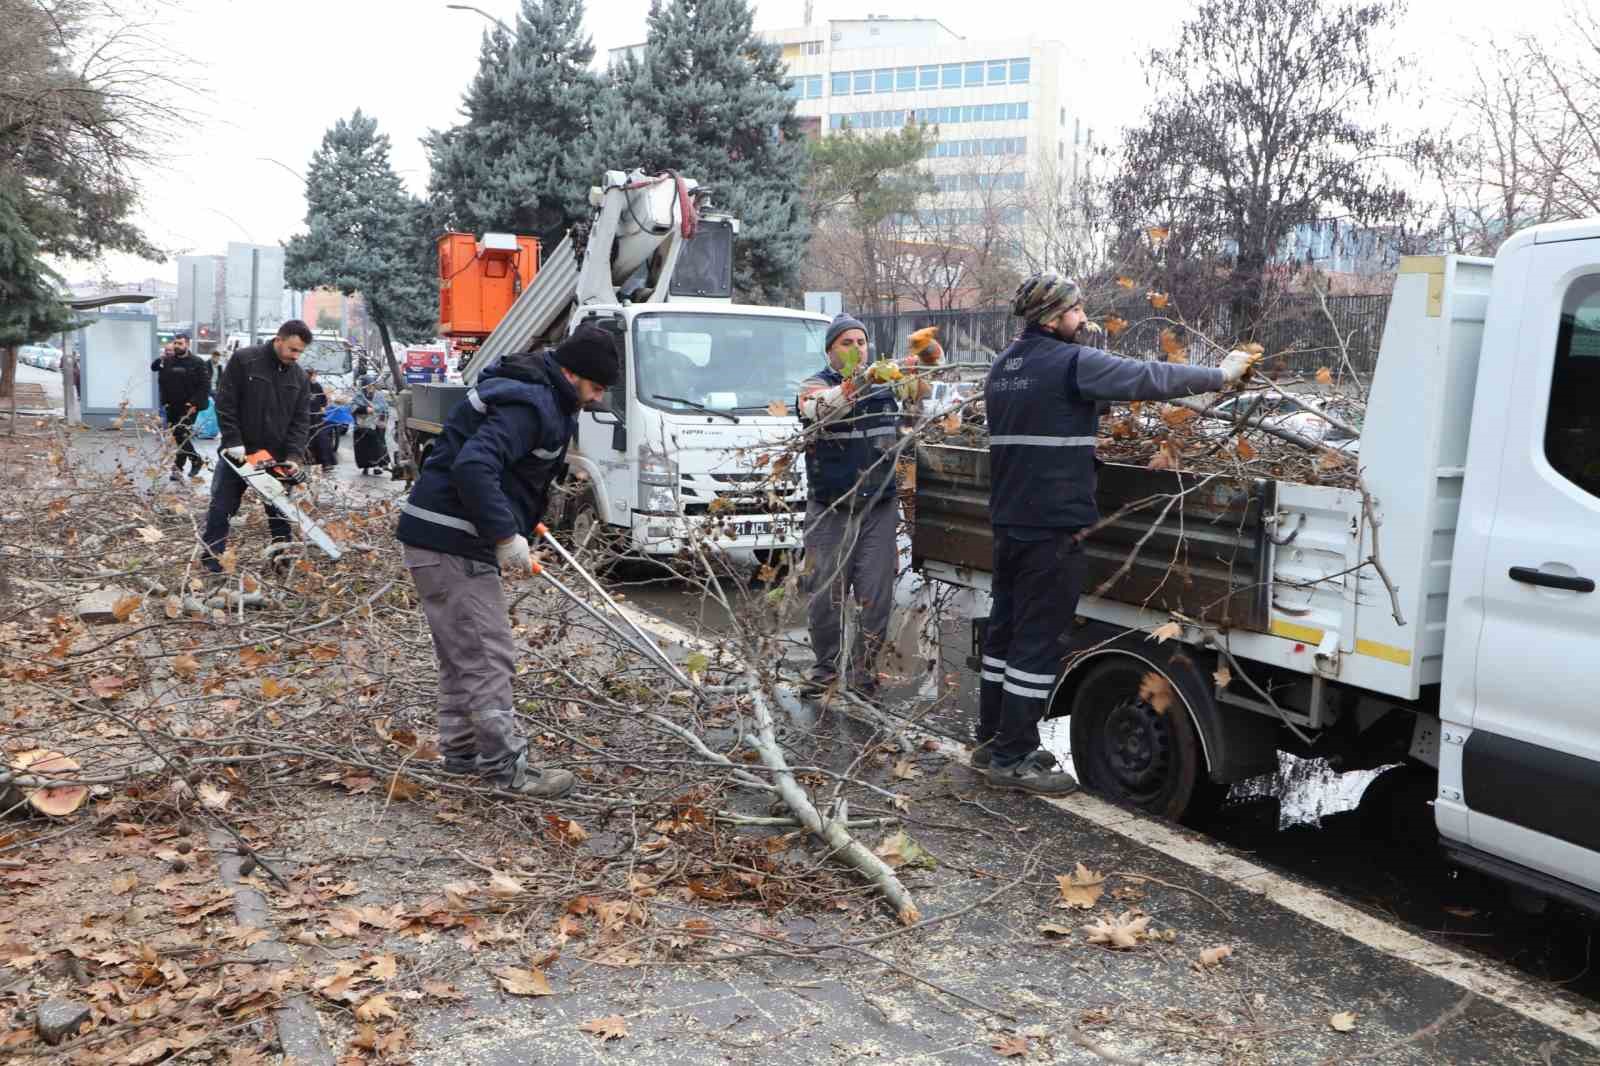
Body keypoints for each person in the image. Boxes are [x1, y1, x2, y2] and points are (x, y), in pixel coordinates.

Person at [976, 274, 1258, 794]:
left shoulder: (1003, 369)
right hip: (1053, 529)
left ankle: (992, 739)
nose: (1083, 319)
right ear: (1053, 316)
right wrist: (1220, 375)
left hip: (1010, 523)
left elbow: (1066, 409)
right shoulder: (1069, 363)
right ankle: (1012, 758)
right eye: (1077, 311)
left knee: (1004, 635)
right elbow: (1145, 377)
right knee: (1036, 643)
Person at [395, 325, 619, 798]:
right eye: (596, 388)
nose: (597, 399)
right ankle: (504, 769)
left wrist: (522, 517)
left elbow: (507, 469)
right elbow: (474, 466)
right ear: (571, 372)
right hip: (452, 539)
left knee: (462, 657)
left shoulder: (539, 392)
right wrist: (502, 533)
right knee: (489, 655)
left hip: (436, 535)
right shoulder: (533, 403)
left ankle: (462, 755)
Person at [797, 313, 939, 701]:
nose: (857, 349)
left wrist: (920, 372)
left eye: (862, 342)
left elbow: (918, 411)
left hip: (878, 509)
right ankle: (825, 669)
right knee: (825, 596)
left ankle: (863, 675)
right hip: (830, 510)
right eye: (847, 342)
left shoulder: (887, 388)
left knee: (875, 598)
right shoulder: (813, 386)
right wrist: (862, 380)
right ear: (830, 350)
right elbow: (821, 410)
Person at [201, 320, 314, 572]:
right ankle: (212, 560)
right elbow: (225, 402)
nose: (295, 356)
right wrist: (232, 440)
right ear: (278, 340)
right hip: (238, 454)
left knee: (279, 513)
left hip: (274, 457)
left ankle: (281, 562)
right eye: (292, 349)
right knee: (222, 507)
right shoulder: (245, 360)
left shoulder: (298, 377)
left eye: (300, 352)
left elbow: (300, 421)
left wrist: (294, 455)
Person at [150, 332, 211, 481]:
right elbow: (154, 369)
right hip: (172, 405)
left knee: (181, 433)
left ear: (187, 344)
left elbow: (204, 385)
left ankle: (194, 461)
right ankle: (178, 469)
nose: (177, 346)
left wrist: (194, 403)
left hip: (190, 406)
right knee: (179, 436)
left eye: (180, 343)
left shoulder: (198, 362)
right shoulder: (168, 360)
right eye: (175, 343)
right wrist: (159, 360)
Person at [305, 369, 337, 470]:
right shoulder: (303, 386)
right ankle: (316, 463)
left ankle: (327, 462)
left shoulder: (317, 386)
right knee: (313, 441)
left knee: (323, 438)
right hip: (306, 418)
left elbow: (323, 399)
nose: (315, 378)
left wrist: (322, 408)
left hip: (318, 417)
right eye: (313, 376)